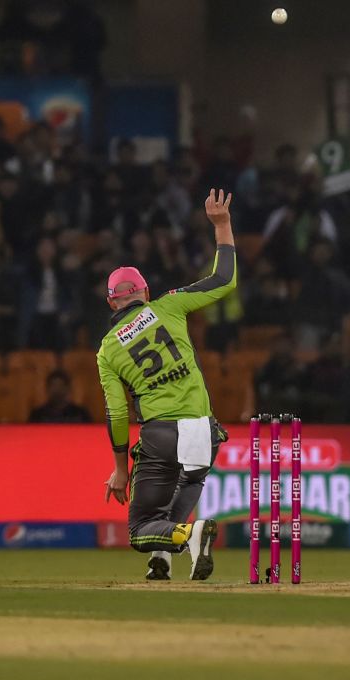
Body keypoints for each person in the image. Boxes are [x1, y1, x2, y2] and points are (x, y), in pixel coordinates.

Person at [98, 188, 236, 581]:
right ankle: (163, 556)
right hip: (203, 429)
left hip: (161, 434)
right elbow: (224, 280)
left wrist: (120, 470)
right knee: (188, 484)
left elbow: (117, 413)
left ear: (111, 303)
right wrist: (222, 225)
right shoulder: (169, 305)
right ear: (145, 292)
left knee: (140, 528)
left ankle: (188, 535)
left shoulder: (107, 350)